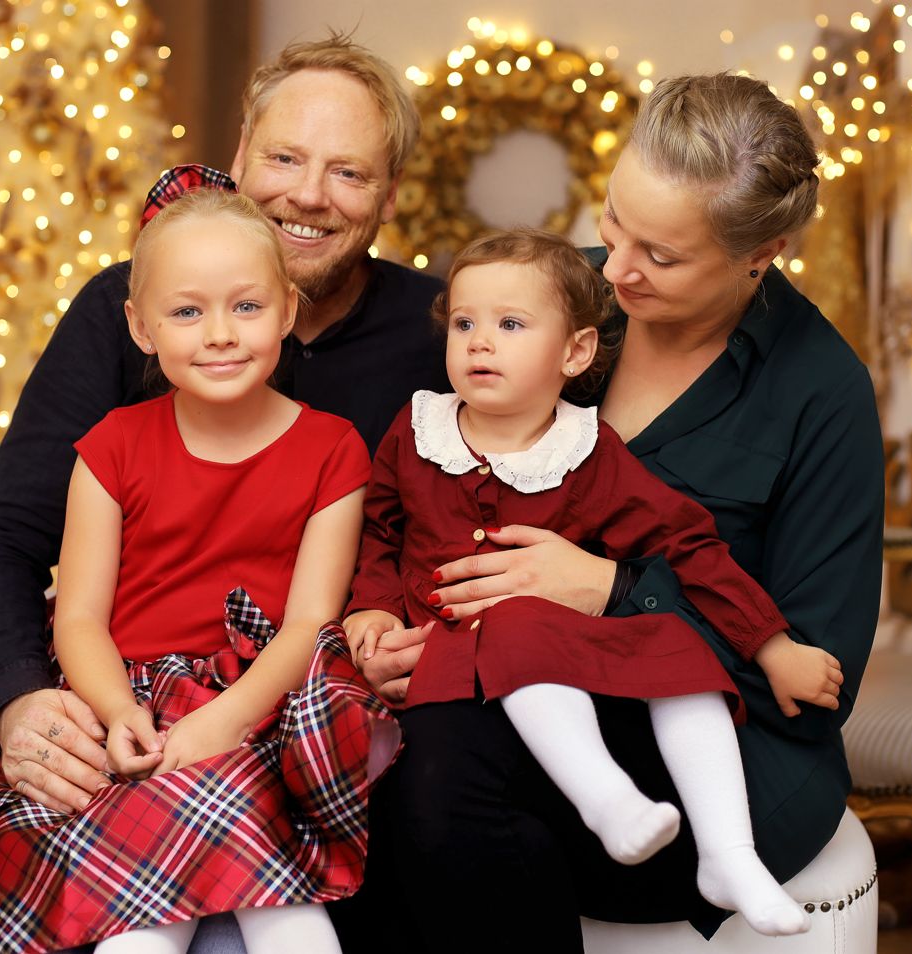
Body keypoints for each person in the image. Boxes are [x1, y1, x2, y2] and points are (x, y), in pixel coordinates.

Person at [361, 73, 884, 951]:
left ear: (764, 252)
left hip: (707, 741)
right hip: (526, 695)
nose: (619, 266)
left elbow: (815, 684)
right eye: (613, 221)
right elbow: (414, 485)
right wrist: (394, 623)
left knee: (440, 791)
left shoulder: (820, 394)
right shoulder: (560, 299)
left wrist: (614, 589)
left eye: (664, 255)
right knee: (396, 774)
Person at [0, 187, 398, 953]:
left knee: (289, 916)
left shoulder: (333, 451)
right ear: (140, 327)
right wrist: (117, 710)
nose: (221, 335)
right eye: (188, 312)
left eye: (248, 308)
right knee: (140, 929)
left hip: (261, 704)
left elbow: (309, 625)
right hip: (128, 702)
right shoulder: (111, 447)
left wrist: (220, 723)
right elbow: (79, 617)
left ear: (288, 311)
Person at [0, 34, 447, 823]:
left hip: (329, 720)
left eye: (348, 172)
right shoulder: (121, 308)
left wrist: (418, 644)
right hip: (129, 693)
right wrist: (17, 702)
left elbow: (491, 516)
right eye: (285, 158)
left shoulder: (444, 334)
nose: (309, 196)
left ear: (391, 195)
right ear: (241, 155)